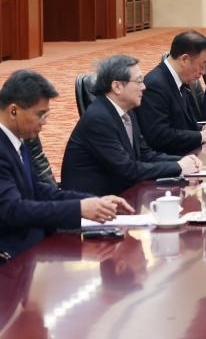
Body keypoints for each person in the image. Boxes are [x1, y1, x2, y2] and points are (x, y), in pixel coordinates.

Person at [0, 71, 134, 260]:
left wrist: (95, 201)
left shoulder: (18, 140)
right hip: (11, 255)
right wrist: (79, 209)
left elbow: (36, 190)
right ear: (13, 111)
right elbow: (13, 210)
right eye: (40, 115)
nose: (44, 123)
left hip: (33, 244)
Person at [61, 57, 200, 196]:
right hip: (93, 201)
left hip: (120, 193)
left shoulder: (127, 111)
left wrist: (183, 160)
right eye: (139, 81)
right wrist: (178, 167)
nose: (144, 87)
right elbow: (128, 170)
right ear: (117, 87)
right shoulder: (98, 119)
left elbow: (145, 155)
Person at [134, 31, 206, 155]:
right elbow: (158, 136)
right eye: (202, 65)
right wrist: (200, 136)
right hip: (169, 159)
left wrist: (202, 129)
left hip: (187, 153)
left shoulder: (179, 80)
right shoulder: (155, 85)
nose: (204, 72)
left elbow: (179, 125)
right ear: (184, 59)